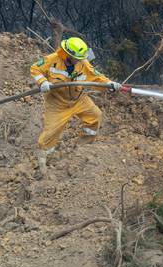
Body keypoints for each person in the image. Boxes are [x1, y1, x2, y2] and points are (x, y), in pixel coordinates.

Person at [30, 37, 122, 175]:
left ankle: (84, 144)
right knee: (50, 133)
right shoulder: (52, 60)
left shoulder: (83, 63)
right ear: (68, 54)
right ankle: (43, 159)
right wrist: (43, 82)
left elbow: (96, 77)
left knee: (95, 116)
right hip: (57, 103)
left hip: (78, 99)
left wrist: (109, 84)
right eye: (76, 58)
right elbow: (35, 68)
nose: (79, 60)